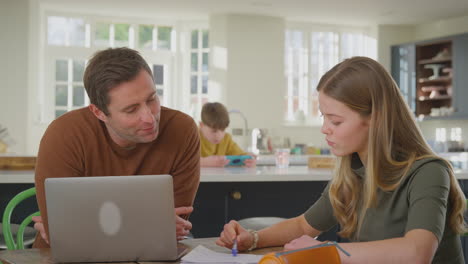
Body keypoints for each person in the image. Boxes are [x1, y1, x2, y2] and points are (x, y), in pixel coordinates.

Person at [216, 57, 466, 263]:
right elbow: (304, 226)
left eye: (335, 121)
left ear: (376, 120)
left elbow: (417, 252)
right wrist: (253, 238)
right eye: (324, 117)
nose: (325, 129)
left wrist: (330, 251)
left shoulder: (429, 172)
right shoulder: (354, 171)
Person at [32, 47, 200, 248]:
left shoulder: (182, 130)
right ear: (99, 112)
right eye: (131, 109)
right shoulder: (64, 134)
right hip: (66, 258)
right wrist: (148, 223)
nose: (149, 117)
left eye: (151, 99)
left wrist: (86, 226)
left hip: (151, 254)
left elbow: (174, 225)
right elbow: (61, 233)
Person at [199, 102, 256, 167]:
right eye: (214, 131)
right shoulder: (192, 137)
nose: (219, 136)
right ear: (201, 125)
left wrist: (249, 160)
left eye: (223, 130)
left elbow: (240, 155)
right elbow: (185, 161)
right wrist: (205, 162)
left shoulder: (226, 139)